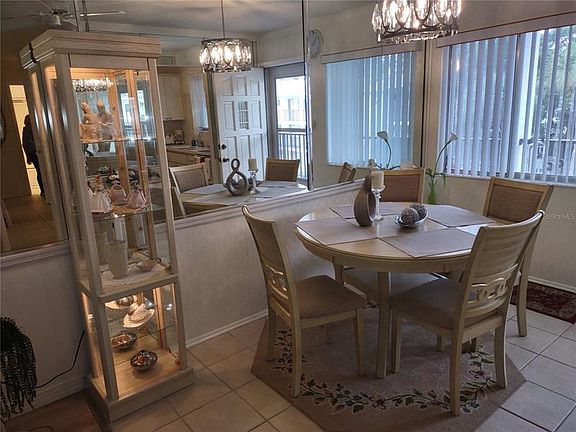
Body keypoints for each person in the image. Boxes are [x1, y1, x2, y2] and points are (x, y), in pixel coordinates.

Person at [22, 115, 45, 197]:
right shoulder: (31, 129)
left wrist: (28, 157)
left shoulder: (25, 130)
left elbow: (25, 144)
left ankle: (43, 190)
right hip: (35, 152)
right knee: (41, 171)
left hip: (32, 153)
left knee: (39, 171)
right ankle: (43, 190)